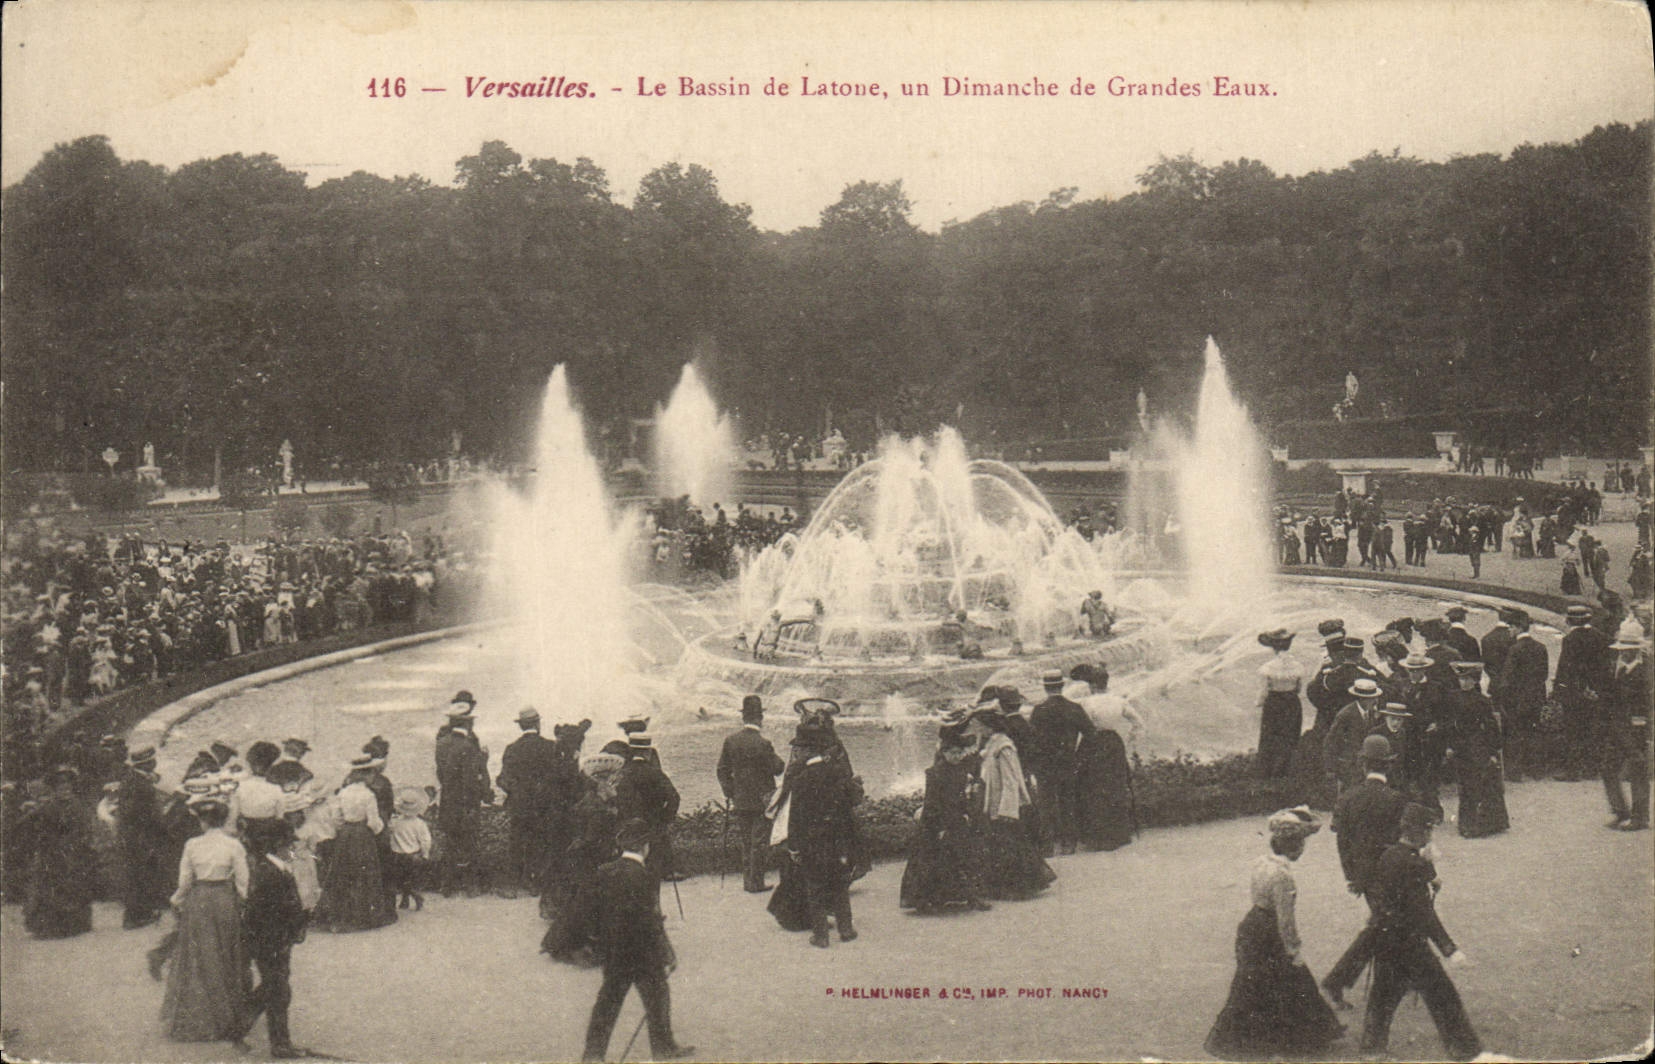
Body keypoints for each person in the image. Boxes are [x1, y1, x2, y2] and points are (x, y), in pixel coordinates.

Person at [1204, 806, 1346, 1059]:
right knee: (1292, 978)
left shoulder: (1261, 862)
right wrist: (1294, 949)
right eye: (1301, 845)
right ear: (1296, 847)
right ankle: (1301, 1036)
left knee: (1252, 982)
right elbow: (1286, 921)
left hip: (1252, 924)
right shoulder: (1284, 877)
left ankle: (1248, 1035)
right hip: (1269, 930)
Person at [1359, 803, 1481, 1060]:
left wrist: (1427, 869)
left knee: (1383, 993)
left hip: (1385, 936)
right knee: (1442, 993)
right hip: (1410, 942)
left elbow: (1399, 878)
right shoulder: (1413, 864)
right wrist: (1450, 949)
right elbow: (1424, 914)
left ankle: (1372, 1048)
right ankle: (1464, 1049)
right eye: (1429, 830)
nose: (1431, 835)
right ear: (1421, 832)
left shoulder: (1390, 855)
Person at [580, 819, 694, 1062]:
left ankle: (593, 1054)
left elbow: (592, 912)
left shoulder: (605, 871)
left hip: (615, 951)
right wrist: (667, 952)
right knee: (658, 996)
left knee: (608, 1001)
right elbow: (651, 919)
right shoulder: (643, 875)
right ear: (645, 846)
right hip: (642, 953)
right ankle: (663, 1047)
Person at [1322, 735, 1408, 1009]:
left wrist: (1352, 877)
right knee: (1384, 927)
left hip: (1364, 877)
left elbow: (1342, 841)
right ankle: (1338, 981)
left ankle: (1340, 981)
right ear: (1389, 767)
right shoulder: (1396, 799)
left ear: (1362, 765)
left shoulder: (1348, 798)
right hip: (1391, 877)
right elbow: (1401, 844)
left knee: (1383, 926)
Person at [162, 784, 253, 1043]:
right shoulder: (233, 844)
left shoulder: (192, 844)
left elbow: (185, 879)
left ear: (202, 820)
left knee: (201, 956)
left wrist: (176, 900)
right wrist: (243, 903)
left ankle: (201, 1017)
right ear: (224, 819)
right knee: (226, 954)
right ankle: (228, 1015)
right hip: (224, 899)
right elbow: (243, 881)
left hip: (199, 900)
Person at [966, 700, 1056, 900]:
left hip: (1003, 806)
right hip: (993, 802)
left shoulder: (1004, 747)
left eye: (978, 725)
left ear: (988, 726)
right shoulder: (991, 744)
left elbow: (1010, 780)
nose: (975, 729)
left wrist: (1007, 809)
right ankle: (1003, 887)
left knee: (1011, 845)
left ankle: (1019, 887)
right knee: (1000, 846)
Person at [236, 817, 309, 1058]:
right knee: (278, 989)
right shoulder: (270, 873)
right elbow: (266, 912)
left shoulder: (270, 867)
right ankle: (279, 1043)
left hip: (273, 939)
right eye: (289, 845)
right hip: (272, 940)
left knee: (275, 986)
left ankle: (241, 1022)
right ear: (277, 845)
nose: (293, 850)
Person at [900, 723, 991, 915]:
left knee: (967, 858)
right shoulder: (935, 773)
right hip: (937, 822)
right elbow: (932, 802)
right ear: (944, 753)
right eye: (952, 753)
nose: (956, 756)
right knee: (935, 860)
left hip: (957, 820)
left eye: (959, 753)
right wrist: (939, 827)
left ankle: (972, 897)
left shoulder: (961, 770)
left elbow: (962, 796)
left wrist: (967, 812)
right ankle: (931, 899)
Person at [787, 721, 861, 947]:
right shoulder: (838, 773)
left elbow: (795, 818)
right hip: (837, 838)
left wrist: (794, 847)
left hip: (812, 841)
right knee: (839, 883)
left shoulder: (800, 780)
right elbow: (853, 800)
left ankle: (821, 935)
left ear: (806, 751)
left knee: (815, 887)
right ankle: (846, 929)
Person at [312, 757, 395, 931]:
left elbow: (336, 817)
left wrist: (344, 829)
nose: (373, 776)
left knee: (343, 873)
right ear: (366, 775)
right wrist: (380, 831)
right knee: (364, 874)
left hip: (346, 834)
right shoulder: (368, 794)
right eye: (371, 772)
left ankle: (339, 915)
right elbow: (373, 822)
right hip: (362, 835)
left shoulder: (343, 793)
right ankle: (363, 917)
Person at [716, 694, 786, 893]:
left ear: (743, 718)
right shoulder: (763, 744)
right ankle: (756, 882)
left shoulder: (731, 741)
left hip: (740, 799)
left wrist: (729, 791)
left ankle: (748, 881)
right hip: (762, 800)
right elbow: (778, 768)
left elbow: (721, 769)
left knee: (747, 841)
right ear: (760, 719)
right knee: (759, 842)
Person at [22, 765, 99, 939]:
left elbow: (86, 828)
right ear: (54, 789)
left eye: (67, 786)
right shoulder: (48, 807)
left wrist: (83, 843)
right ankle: (51, 926)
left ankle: (75, 924)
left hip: (75, 852)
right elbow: (29, 824)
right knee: (51, 888)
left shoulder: (79, 806)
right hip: (52, 853)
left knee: (75, 886)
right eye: (60, 787)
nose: (65, 790)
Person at [1071, 664, 1138, 851]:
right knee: (1115, 786)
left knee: (1091, 788)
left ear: (1091, 685)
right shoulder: (1119, 700)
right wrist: (1130, 738)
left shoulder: (1086, 703)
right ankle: (1118, 835)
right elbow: (1137, 722)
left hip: (1092, 744)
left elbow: (1081, 727)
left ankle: (1096, 837)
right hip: (1113, 743)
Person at [1029, 669, 1096, 855]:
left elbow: (1031, 740)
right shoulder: (1074, 708)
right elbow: (1090, 734)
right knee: (1068, 803)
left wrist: (1035, 763)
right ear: (1062, 686)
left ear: (1045, 687)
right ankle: (1069, 844)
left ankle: (1047, 846)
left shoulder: (1038, 710)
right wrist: (1078, 755)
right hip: (1068, 761)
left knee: (1046, 804)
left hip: (1045, 765)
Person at [435, 691, 493, 896]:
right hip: (466, 804)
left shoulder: (441, 742)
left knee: (450, 843)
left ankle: (447, 885)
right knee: (469, 845)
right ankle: (471, 885)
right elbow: (471, 779)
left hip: (448, 800)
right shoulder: (468, 746)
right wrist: (483, 762)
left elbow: (441, 773)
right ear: (468, 723)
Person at [498, 706, 559, 895]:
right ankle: (534, 883)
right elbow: (556, 777)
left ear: (521, 726)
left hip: (519, 805)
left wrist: (516, 792)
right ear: (538, 724)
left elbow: (503, 779)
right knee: (540, 842)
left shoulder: (512, 749)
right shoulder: (550, 747)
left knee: (517, 843)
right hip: (543, 805)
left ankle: (512, 885)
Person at [1448, 661, 1508, 838]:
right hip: (1460, 745)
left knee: (1479, 785)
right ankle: (1465, 824)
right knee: (1465, 786)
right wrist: (1450, 745)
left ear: (1475, 681)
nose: (1464, 683)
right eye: (1461, 679)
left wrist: (1493, 751)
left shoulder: (1482, 701)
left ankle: (1482, 824)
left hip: (1476, 745)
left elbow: (1490, 727)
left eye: (1468, 679)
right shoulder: (1453, 698)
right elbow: (1450, 724)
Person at [115, 745, 173, 930]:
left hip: (134, 834)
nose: (155, 764)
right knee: (138, 874)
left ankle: (142, 912)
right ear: (148, 763)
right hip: (138, 836)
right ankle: (134, 916)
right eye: (152, 762)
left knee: (140, 874)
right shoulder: (139, 784)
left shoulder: (134, 779)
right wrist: (160, 823)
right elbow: (137, 811)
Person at [616, 733, 682, 888]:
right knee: (653, 871)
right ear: (648, 752)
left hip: (628, 828)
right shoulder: (655, 773)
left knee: (630, 871)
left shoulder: (622, 774)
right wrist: (664, 819)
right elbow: (674, 798)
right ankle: (654, 908)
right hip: (653, 827)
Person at [1555, 603, 1611, 781]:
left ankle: (1572, 771)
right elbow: (1605, 667)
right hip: (1596, 692)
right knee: (1592, 729)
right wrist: (1597, 689)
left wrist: (1560, 688)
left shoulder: (1570, 640)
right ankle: (1591, 769)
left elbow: (1565, 668)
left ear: (1571, 620)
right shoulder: (1601, 637)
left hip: (1576, 692)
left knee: (1573, 731)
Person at [1600, 630, 1650, 831]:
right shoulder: (1620, 669)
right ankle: (1621, 811)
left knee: (1638, 771)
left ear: (1635, 650)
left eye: (1627, 650)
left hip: (1635, 729)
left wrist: (1643, 733)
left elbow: (1646, 705)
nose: (1622, 653)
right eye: (1621, 650)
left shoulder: (1644, 672)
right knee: (1607, 768)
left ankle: (1640, 817)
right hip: (1616, 728)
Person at [1499, 609, 1551, 781]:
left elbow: (1507, 679)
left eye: (1511, 627)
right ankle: (1535, 770)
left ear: (1519, 628)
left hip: (1517, 700)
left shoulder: (1515, 649)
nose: (1509, 631)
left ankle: (1514, 772)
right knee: (1534, 733)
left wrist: (1505, 700)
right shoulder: (1541, 647)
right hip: (1535, 698)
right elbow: (1543, 675)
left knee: (1515, 735)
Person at [1255, 628, 1304, 779]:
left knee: (1270, 739)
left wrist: (1258, 703)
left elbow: (1263, 692)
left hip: (1274, 703)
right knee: (1289, 738)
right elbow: (1298, 688)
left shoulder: (1267, 668)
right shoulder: (1298, 666)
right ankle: (1284, 773)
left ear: (1273, 647)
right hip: (1292, 703)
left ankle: (1267, 774)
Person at [1324, 678, 1385, 796]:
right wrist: (1330, 768)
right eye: (1373, 698)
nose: (1376, 701)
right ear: (1363, 699)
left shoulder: (1371, 713)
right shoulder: (1345, 715)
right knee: (1347, 796)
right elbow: (1330, 741)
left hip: (1363, 764)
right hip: (1348, 765)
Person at [386, 786, 433, 909]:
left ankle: (406, 899)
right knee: (410, 878)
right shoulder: (420, 824)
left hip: (397, 855)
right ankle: (414, 897)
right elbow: (425, 840)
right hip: (413, 855)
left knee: (400, 879)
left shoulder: (395, 822)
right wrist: (425, 854)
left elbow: (390, 835)